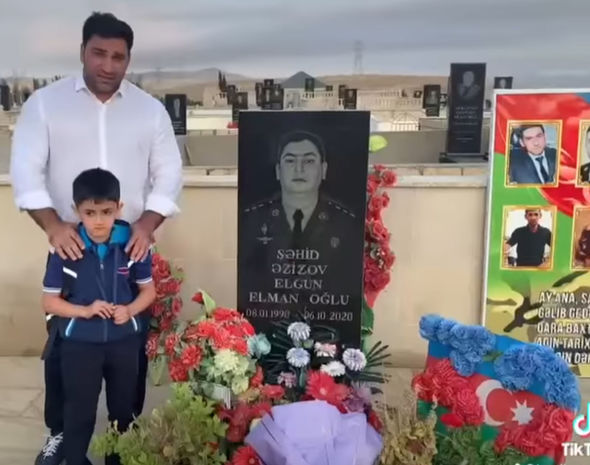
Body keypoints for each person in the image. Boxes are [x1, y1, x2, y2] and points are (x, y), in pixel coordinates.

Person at [9, 12, 182, 465]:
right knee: (65, 352)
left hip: (130, 248)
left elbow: (168, 175)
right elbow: (25, 172)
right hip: (71, 249)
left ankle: (124, 443)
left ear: (128, 59)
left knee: (129, 352)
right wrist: (54, 226)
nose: (107, 65)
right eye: (98, 53)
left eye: (117, 56)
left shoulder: (150, 111)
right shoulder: (44, 105)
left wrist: (146, 226)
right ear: (82, 51)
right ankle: (60, 436)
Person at [42, 168, 156, 465]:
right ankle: (75, 459)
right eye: (89, 213)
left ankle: (116, 459)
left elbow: (148, 292)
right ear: (76, 210)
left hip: (123, 343)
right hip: (80, 345)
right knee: (79, 410)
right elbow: (49, 302)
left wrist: (129, 310)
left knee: (122, 411)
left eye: (106, 212)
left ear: (119, 207)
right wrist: (85, 310)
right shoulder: (66, 248)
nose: (98, 221)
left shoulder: (133, 244)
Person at [239, 130, 359, 334]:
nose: (299, 169)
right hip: (266, 332)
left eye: (309, 161)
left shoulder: (346, 224)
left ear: (323, 169)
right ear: (278, 170)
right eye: (290, 161)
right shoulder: (252, 220)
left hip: (328, 334)